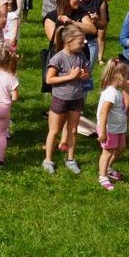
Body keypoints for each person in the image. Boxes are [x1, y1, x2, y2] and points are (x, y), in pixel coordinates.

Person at [43, 25, 90, 175]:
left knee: (73, 130)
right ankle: (48, 160)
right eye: (80, 42)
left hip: (77, 97)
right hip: (60, 98)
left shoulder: (80, 55)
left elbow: (87, 73)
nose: (83, 45)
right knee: (55, 130)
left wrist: (83, 75)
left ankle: (70, 159)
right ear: (69, 41)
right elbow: (49, 79)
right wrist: (69, 77)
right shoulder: (58, 58)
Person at [95, 58, 129, 191]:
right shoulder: (111, 93)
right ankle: (103, 176)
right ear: (119, 76)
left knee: (121, 147)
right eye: (126, 77)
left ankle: (108, 168)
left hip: (118, 128)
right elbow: (104, 113)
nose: (127, 80)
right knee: (107, 152)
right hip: (109, 129)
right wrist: (103, 131)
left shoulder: (117, 92)